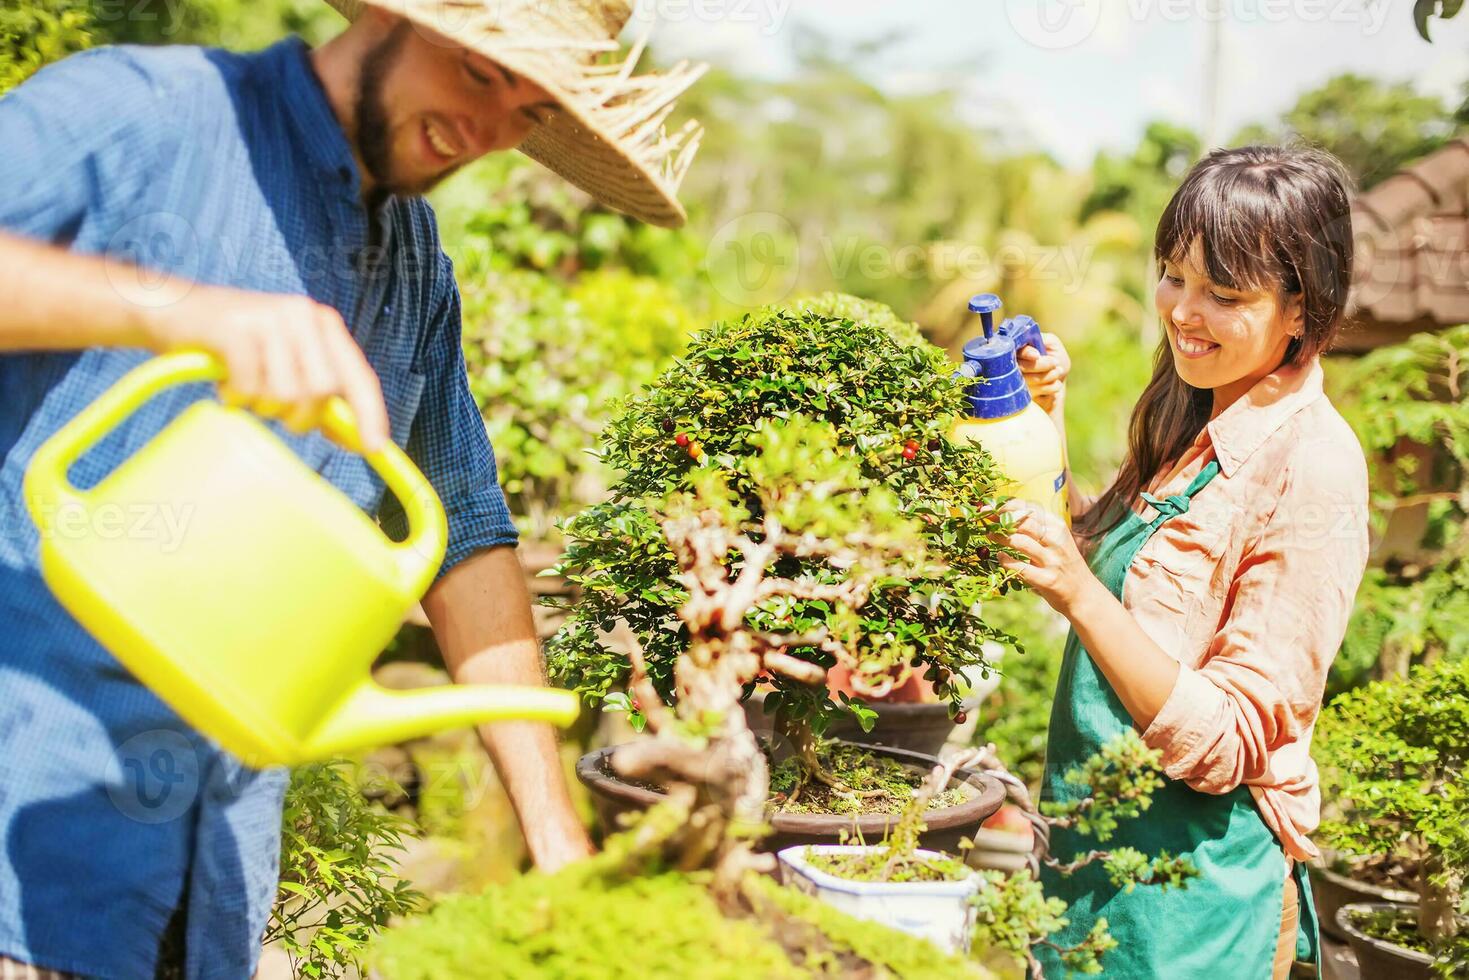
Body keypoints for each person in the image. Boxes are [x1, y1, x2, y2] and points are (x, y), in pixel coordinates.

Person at [0, 1, 703, 976]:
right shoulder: (147, 111)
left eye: (531, 109)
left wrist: (554, 838)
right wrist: (178, 310)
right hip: (26, 853)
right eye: (479, 70)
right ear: (383, 16)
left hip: (211, 890)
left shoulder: (414, 267)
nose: (490, 129)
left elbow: (464, 536)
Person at [1003, 146, 1370, 979]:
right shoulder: (1196, 409)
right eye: (1173, 275)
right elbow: (1100, 551)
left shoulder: (1312, 466)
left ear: (1299, 309)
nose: (1182, 312)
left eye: (1224, 294)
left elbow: (1230, 742)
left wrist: (1073, 592)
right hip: (1092, 850)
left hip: (1191, 895)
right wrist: (1042, 416)